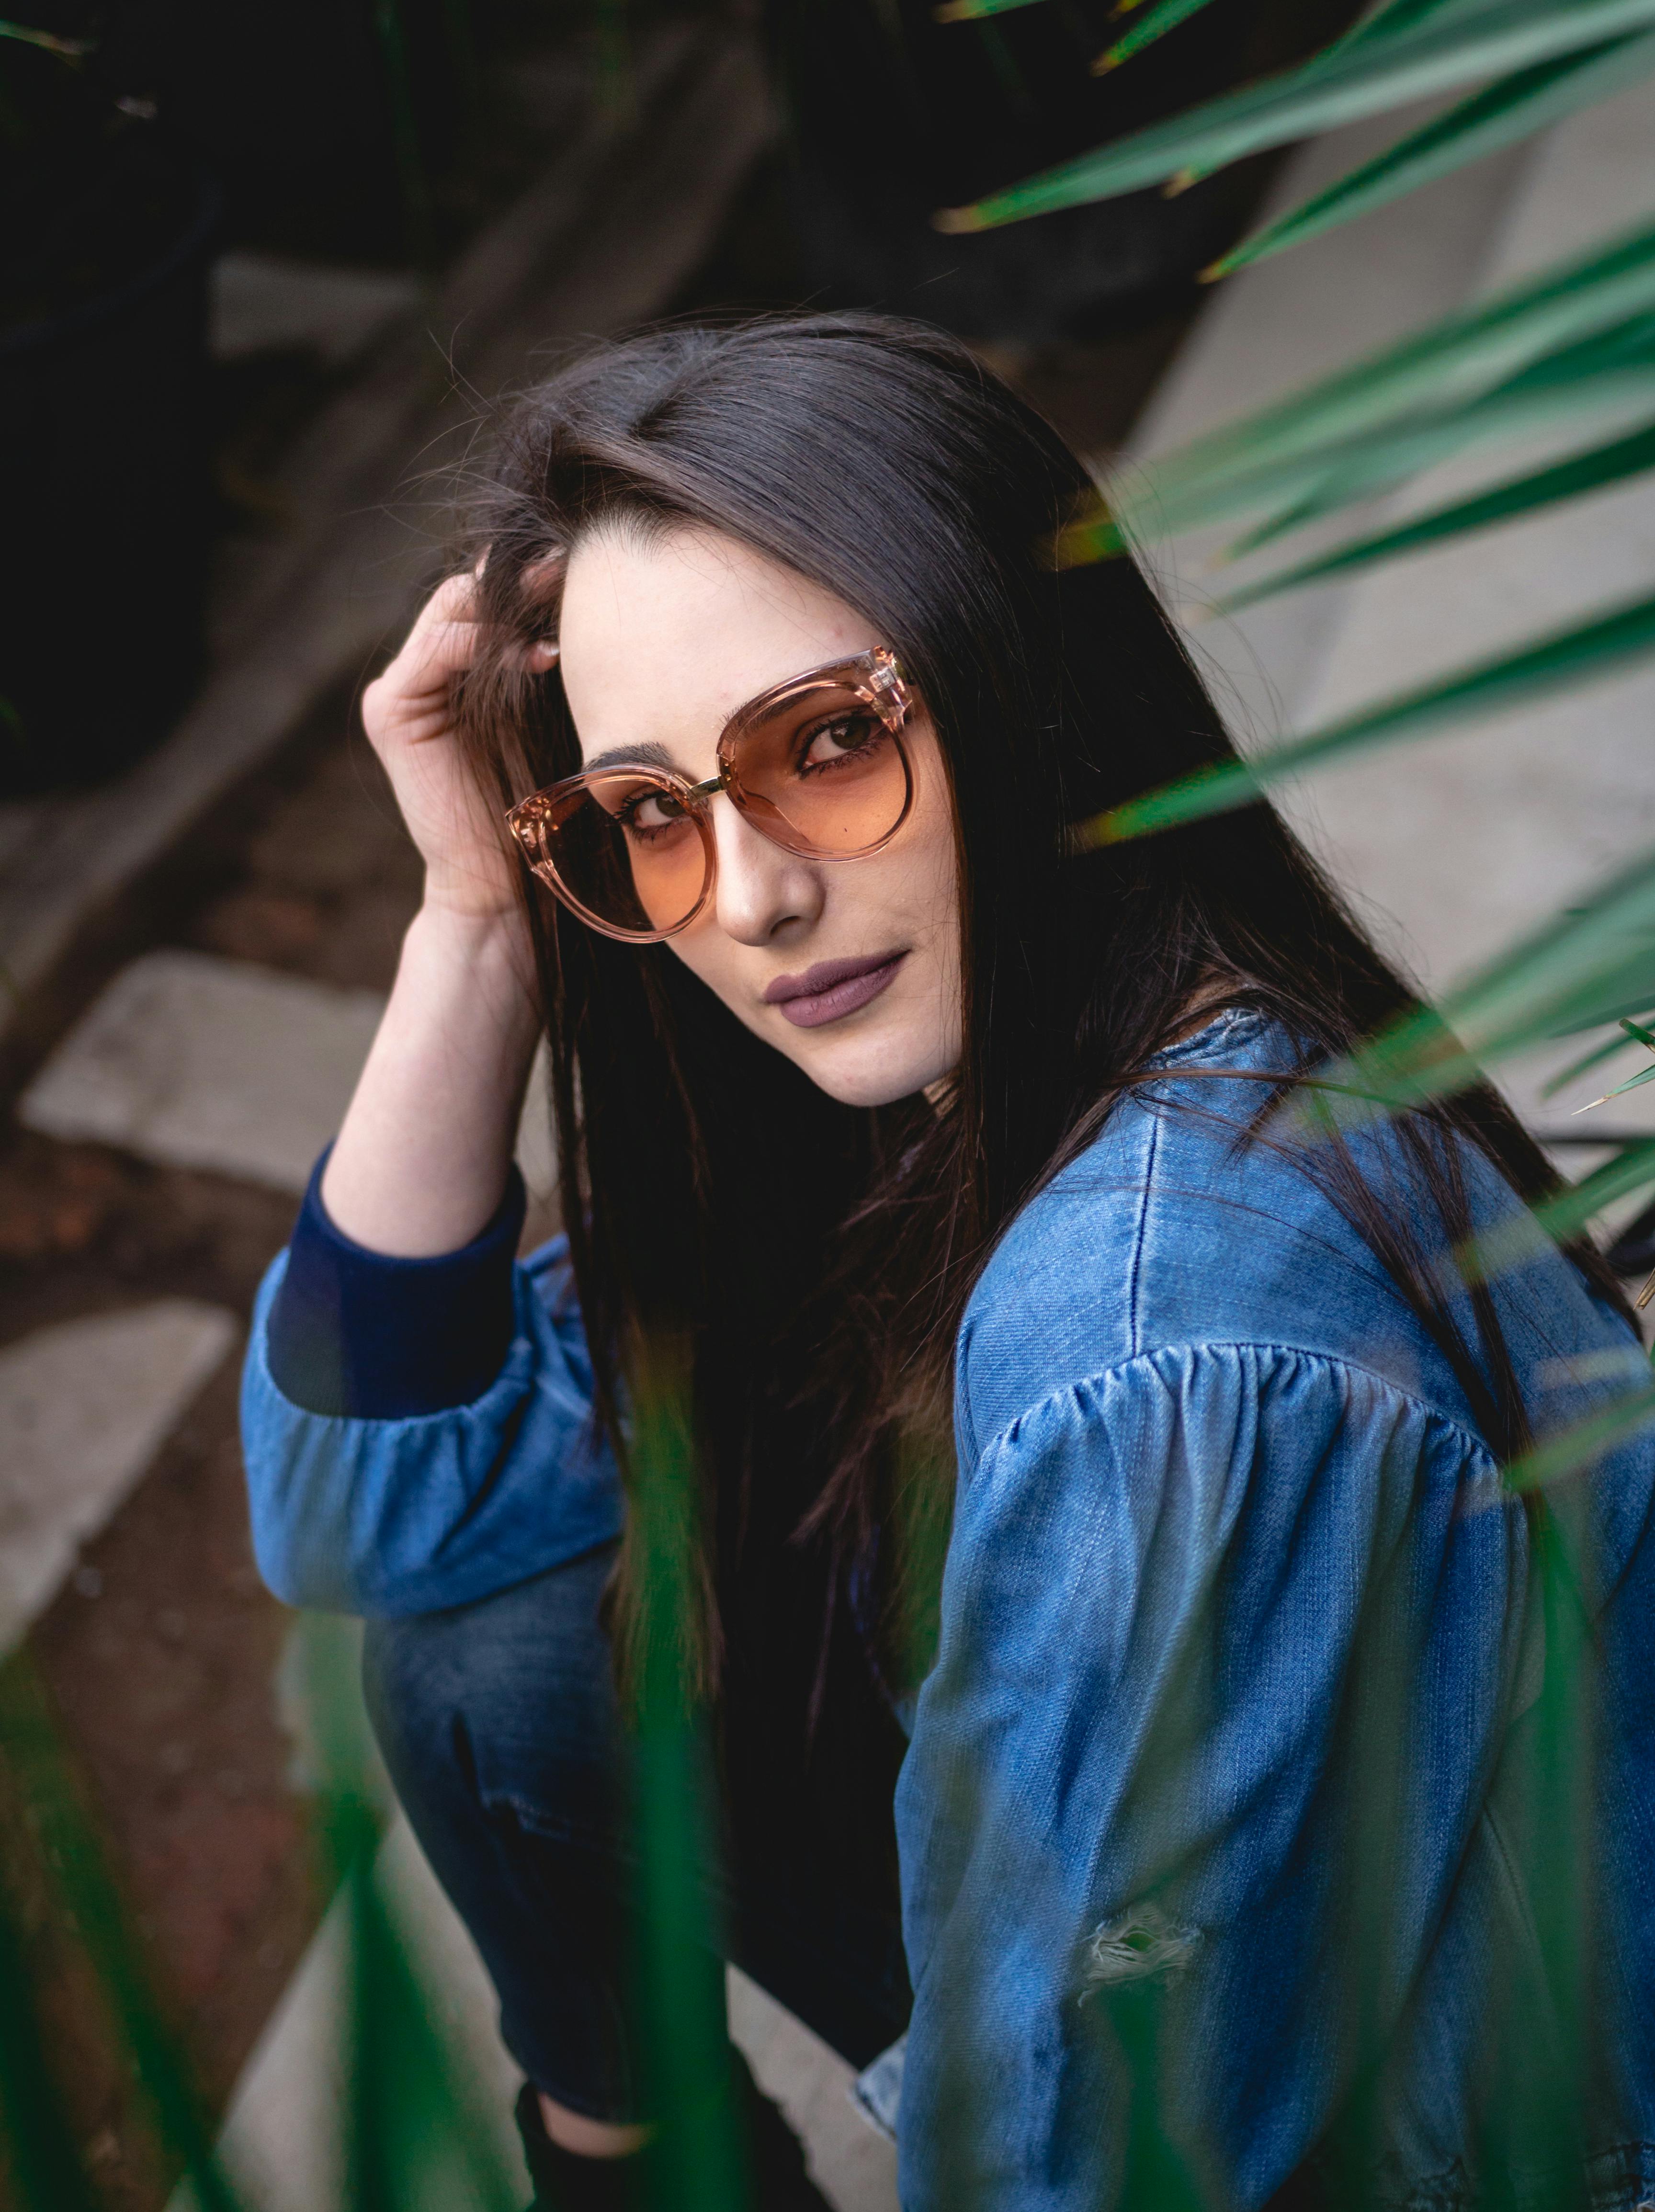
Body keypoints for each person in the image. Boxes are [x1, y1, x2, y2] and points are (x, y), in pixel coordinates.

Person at [242, 315, 1655, 2212]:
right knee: (488, 1664)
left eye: (828, 742)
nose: (749, 904)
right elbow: (357, 1512)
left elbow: (1075, 2168)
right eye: (647, 815)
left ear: (1024, 690)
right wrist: (479, 920)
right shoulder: (943, 1084)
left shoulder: (1151, 1353)